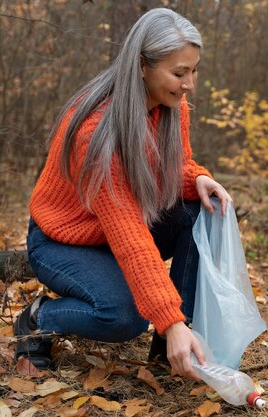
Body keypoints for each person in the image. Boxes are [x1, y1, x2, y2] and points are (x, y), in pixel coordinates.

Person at [13, 8, 231, 381]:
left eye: (194, 70)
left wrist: (196, 178)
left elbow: (172, 167)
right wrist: (167, 316)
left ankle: (174, 349)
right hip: (63, 240)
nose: (189, 83)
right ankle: (38, 318)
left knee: (200, 210)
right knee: (124, 317)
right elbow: (128, 230)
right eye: (179, 73)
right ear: (142, 66)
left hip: (114, 229)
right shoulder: (94, 130)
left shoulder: (171, 108)